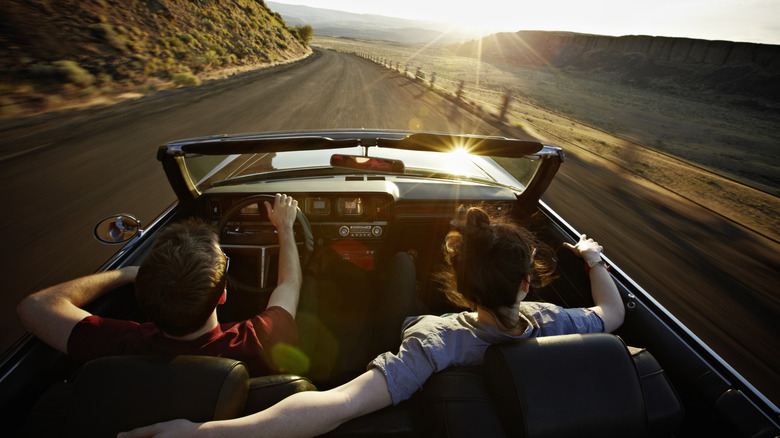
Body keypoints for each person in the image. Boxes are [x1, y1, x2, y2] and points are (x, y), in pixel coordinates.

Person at [121, 206, 625, 438]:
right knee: (400, 262)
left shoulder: (435, 340)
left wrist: (204, 434)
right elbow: (613, 314)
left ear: (460, 284)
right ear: (526, 283)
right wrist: (594, 260)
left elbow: (335, 403)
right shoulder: (557, 321)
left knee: (401, 264)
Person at [17, 193, 302, 377]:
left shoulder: (120, 345)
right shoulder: (259, 339)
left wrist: (126, 273)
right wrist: (284, 227)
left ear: (143, 295)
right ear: (223, 295)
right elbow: (289, 283)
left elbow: (34, 306)